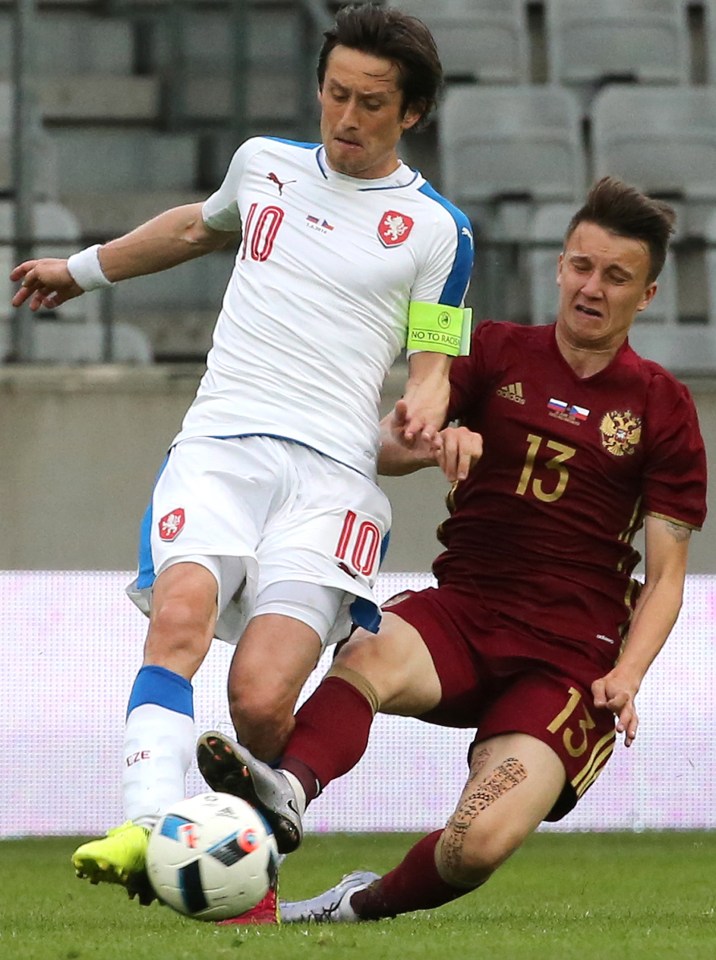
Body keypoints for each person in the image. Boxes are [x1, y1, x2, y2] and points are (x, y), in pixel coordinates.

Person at [10, 3, 474, 905]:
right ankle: (146, 825)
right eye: (335, 94)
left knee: (262, 703)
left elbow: (434, 359)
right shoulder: (263, 165)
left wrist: (424, 407)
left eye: (371, 103)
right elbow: (195, 228)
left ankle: (248, 878)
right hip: (220, 445)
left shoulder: (435, 230)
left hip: (333, 477)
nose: (346, 116)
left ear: (410, 113)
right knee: (179, 617)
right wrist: (81, 268)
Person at [196, 176, 707, 924]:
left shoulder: (662, 405)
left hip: (571, 657)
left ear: (648, 293)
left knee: (476, 844)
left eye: (616, 276)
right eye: (580, 267)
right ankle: (289, 793)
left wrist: (628, 674)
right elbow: (383, 444)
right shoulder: (492, 348)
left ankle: (352, 907)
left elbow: (665, 579)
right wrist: (431, 440)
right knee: (367, 654)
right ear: (560, 266)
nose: (592, 288)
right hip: (465, 612)